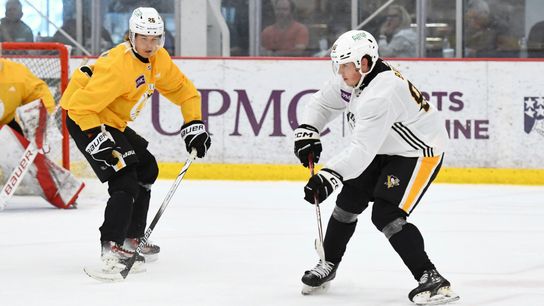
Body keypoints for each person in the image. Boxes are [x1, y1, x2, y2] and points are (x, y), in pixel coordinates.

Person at [293, 30, 459, 305]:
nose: (341, 72)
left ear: (365, 62)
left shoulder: (381, 94)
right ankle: (328, 264)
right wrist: (308, 130)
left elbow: (361, 150)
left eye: (346, 65)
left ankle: (432, 279)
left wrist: (328, 176)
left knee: (387, 214)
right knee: (348, 203)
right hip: (381, 147)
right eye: (339, 65)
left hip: (416, 153)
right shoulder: (354, 79)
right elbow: (321, 103)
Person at [60, 7, 211, 271]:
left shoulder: (158, 59)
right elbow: (79, 107)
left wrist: (194, 124)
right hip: (86, 119)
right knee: (125, 179)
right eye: (143, 38)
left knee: (146, 167)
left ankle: (132, 238)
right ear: (131, 36)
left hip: (111, 121)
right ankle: (111, 245)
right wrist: (96, 137)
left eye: (155, 39)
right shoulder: (117, 67)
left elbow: (186, 93)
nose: (150, 45)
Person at [0, 58, 83, 209]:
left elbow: (38, 92)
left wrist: (41, 116)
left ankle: (63, 193)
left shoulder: (16, 73)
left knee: (28, 156)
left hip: (6, 127)